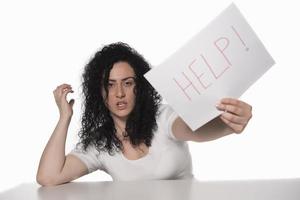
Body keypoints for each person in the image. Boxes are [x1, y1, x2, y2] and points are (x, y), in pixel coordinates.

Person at [36, 42, 252, 186]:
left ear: (139, 86)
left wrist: (228, 125)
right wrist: (64, 118)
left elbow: (192, 129)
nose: (120, 93)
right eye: (110, 85)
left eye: (127, 83)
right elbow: (48, 177)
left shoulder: (163, 117)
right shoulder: (99, 143)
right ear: (99, 93)